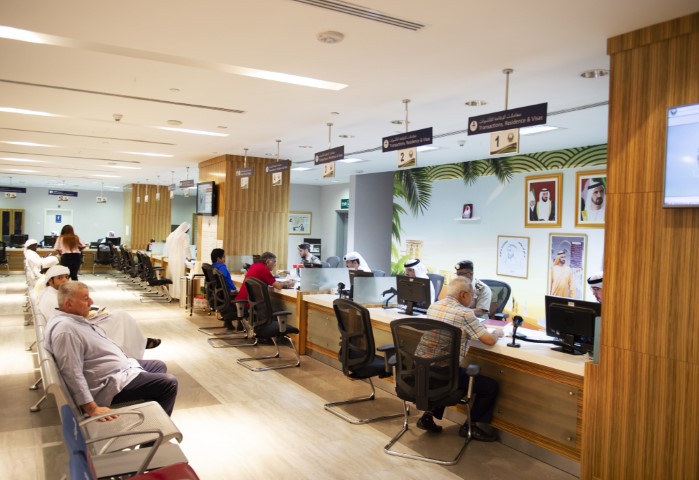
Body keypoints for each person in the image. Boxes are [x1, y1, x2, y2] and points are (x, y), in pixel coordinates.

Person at [44, 281, 178, 418]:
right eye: (85, 299)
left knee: (158, 365)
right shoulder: (66, 331)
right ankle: (154, 427)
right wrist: (91, 408)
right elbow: (72, 372)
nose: (91, 302)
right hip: (107, 385)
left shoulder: (72, 320)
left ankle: (148, 413)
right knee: (169, 383)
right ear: (68, 304)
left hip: (118, 371)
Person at [416, 276, 503, 441]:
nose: (473, 299)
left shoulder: (434, 306)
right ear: (463, 295)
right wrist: (497, 333)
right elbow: (489, 341)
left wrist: (475, 326)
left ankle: (427, 416)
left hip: (423, 370)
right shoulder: (465, 313)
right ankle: (471, 426)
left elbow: (450, 326)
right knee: (490, 386)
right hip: (444, 375)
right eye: (472, 295)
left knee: (445, 368)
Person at [38, 266, 161, 358]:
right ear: (50, 281)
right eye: (60, 278)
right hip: (78, 329)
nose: (65, 280)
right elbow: (67, 320)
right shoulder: (51, 299)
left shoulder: (53, 293)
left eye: (66, 277)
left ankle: (137, 343)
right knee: (120, 317)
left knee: (118, 315)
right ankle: (133, 349)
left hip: (77, 324)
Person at [164, 222, 191, 299]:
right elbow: (186, 247)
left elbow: (167, 245)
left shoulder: (172, 234)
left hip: (171, 258)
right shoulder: (185, 236)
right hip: (179, 259)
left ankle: (172, 294)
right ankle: (178, 296)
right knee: (179, 277)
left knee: (173, 277)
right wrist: (189, 257)